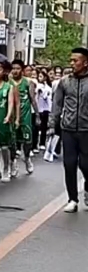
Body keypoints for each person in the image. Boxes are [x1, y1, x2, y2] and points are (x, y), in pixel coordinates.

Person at [49, 48, 88, 213]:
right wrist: (52, 125)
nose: (72, 63)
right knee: (69, 164)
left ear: (85, 62)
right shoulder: (64, 82)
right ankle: (72, 199)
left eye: (76, 60)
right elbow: (57, 105)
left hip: (87, 130)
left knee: (86, 165)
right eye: (71, 60)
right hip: (68, 129)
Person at [10, 59, 37, 175]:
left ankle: (27, 158)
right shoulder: (8, 83)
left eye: (18, 68)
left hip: (25, 116)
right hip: (12, 116)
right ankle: (13, 163)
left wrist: (38, 115)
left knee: (27, 141)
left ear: (22, 70)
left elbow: (32, 99)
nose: (15, 71)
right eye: (13, 68)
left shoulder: (28, 82)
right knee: (12, 141)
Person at [36, 70, 52, 150]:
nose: (39, 78)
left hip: (45, 108)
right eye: (39, 76)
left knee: (44, 126)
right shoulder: (37, 85)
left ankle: (42, 143)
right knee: (36, 126)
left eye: (41, 76)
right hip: (38, 107)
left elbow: (47, 96)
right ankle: (35, 144)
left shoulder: (48, 87)